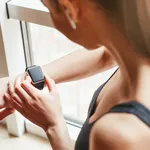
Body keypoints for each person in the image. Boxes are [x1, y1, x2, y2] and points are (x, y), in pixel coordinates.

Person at [1, 0, 150, 149]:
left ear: (70, 8)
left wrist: (54, 126)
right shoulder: (135, 42)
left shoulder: (120, 135)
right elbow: (106, 55)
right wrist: (16, 83)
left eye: (49, 9)